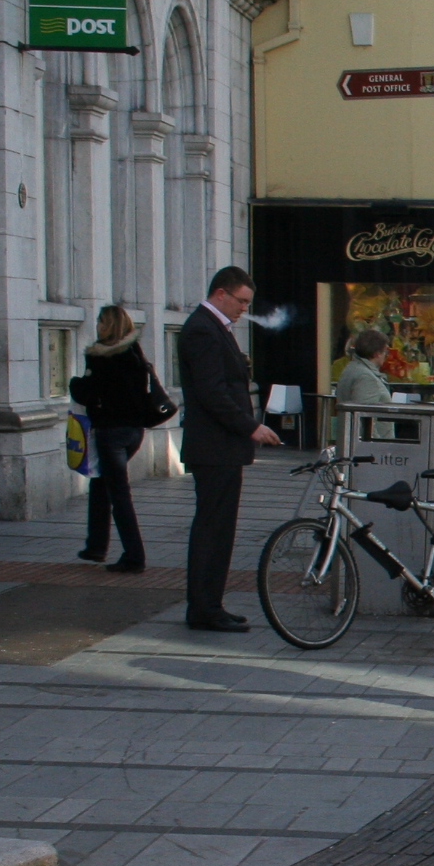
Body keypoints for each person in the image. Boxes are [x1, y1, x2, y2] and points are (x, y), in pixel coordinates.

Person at [177, 267, 283, 630]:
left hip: (221, 447)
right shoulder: (203, 329)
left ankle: (210, 603)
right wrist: (250, 426)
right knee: (213, 527)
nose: (243, 309)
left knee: (220, 527)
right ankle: (204, 607)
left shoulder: (212, 328)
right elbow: (212, 392)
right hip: (214, 447)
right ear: (220, 293)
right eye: (240, 301)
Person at [69, 304, 154, 571]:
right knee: (101, 485)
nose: (97, 326)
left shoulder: (101, 357)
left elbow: (88, 393)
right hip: (134, 431)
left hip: (111, 432)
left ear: (108, 325)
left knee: (118, 493)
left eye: (100, 321)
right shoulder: (134, 353)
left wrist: (74, 383)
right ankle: (96, 545)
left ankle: (134, 556)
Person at [334, 328, 396, 406]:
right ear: (376, 353)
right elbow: (364, 413)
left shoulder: (352, 367)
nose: (386, 355)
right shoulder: (366, 377)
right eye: (385, 351)